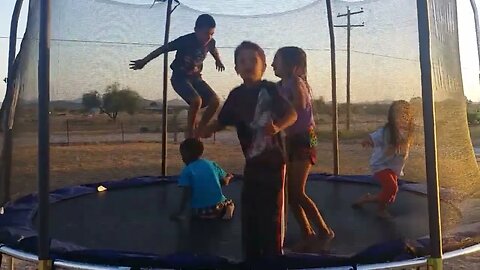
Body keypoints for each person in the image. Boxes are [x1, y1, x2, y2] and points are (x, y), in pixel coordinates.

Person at [199, 41, 297, 262]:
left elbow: (292, 115)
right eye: (242, 61)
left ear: (263, 66)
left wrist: (278, 126)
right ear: (236, 69)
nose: (248, 64)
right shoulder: (235, 96)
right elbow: (222, 121)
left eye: (253, 60)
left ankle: (273, 257)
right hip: (252, 164)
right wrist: (204, 130)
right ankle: (251, 256)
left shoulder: (271, 90)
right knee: (250, 209)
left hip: (274, 164)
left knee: (272, 213)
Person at [272, 47, 334, 245]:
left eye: (277, 61)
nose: (273, 64)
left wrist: (278, 118)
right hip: (291, 139)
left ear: (293, 66)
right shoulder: (280, 85)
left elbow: (297, 107)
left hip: (307, 137)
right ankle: (307, 232)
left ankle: (325, 230)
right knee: (291, 193)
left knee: (298, 191)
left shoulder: (297, 83)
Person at [130, 14, 225, 138]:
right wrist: (144, 61)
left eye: (212, 34)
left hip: (196, 78)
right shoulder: (185, 40)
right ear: (196, 30)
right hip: (180, 78)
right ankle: (190, 132)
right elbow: (162, 49)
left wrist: (217, 60)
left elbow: (213, 49)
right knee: (196, 100)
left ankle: (200, 128)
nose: (208, 37)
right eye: (206, 33)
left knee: (216, 100)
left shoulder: (211, 42)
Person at [352, 100, 415, 218]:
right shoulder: (386, 132)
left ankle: (367, 199)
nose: (403, 118)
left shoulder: (407, 133)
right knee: (391, 187)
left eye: (405, 115)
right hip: (380, 165)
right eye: (399, 115)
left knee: (390, 196)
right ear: (392, 117)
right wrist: (366, 141)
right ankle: (380, 210)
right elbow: (371, 137)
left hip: (394, 167)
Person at [170, 138, 235, 220]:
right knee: (230, 203)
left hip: (199, 212)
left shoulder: (187, 170)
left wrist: (181, 212)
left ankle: (209, 216)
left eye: (182, 155)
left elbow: (187, 193)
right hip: (217, 207)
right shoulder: (211, 164)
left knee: (195, 211)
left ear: (187, 154)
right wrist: (229, 177)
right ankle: (227, 210)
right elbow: (224, 182)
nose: (182, 159)